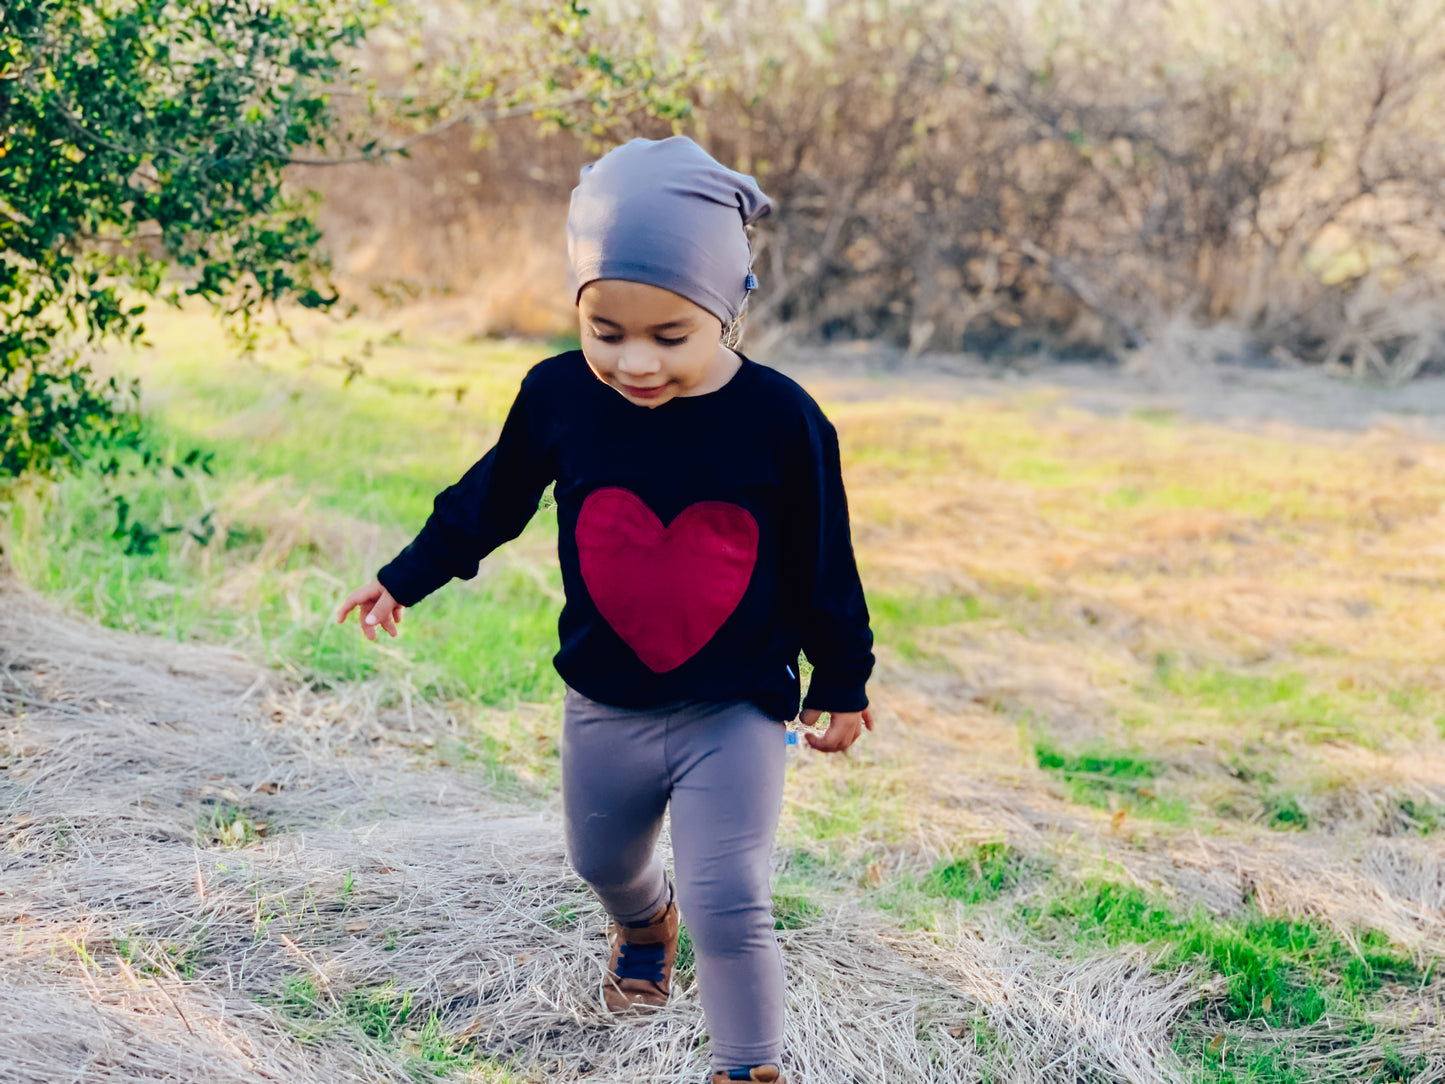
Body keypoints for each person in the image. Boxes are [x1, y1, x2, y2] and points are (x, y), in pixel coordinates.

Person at [335, 136, 875, 1084]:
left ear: (728, 307)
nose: (633, 362)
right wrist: (406, 575)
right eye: (604, 330)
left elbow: (826, 557)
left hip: (735, 708)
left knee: (731, 899)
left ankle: (746, 1064)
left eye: (670, 337)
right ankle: (639, 923)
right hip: (605, 703)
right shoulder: (557, 397)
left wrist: (843, 677)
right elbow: (491, 500)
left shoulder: (783, 420)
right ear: (579, 306)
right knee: (602, 861)